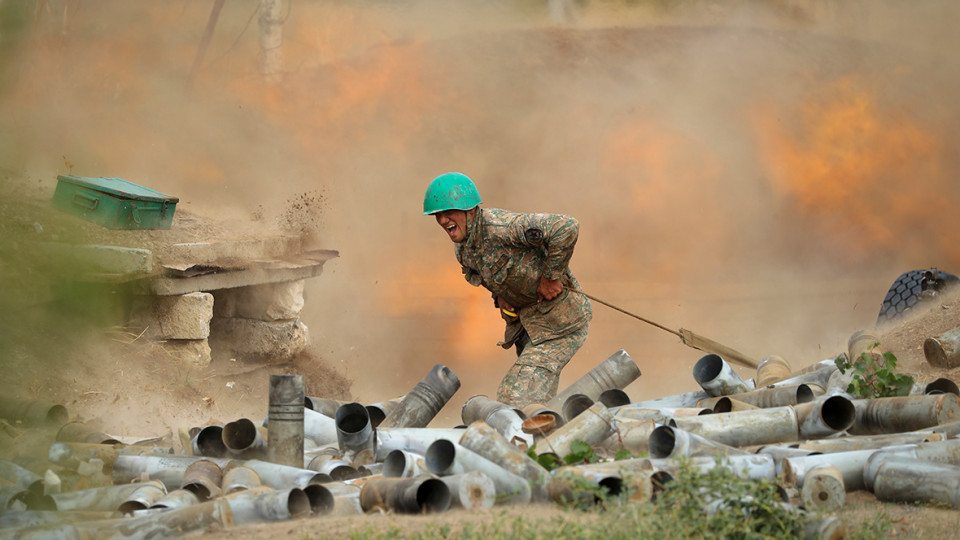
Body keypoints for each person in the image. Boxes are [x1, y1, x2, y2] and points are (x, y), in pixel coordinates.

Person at [423, 171, 592, 408]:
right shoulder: (464, 250)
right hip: (530, 328)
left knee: (515, 398)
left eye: (448, 212)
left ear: (470, 210)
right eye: (437, 215)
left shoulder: (503, 228)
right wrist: (500, 297)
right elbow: (487, 274)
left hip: (560, 324)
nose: (442, 220)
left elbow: (566, 227)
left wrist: (551, 276)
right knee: (535, 401)